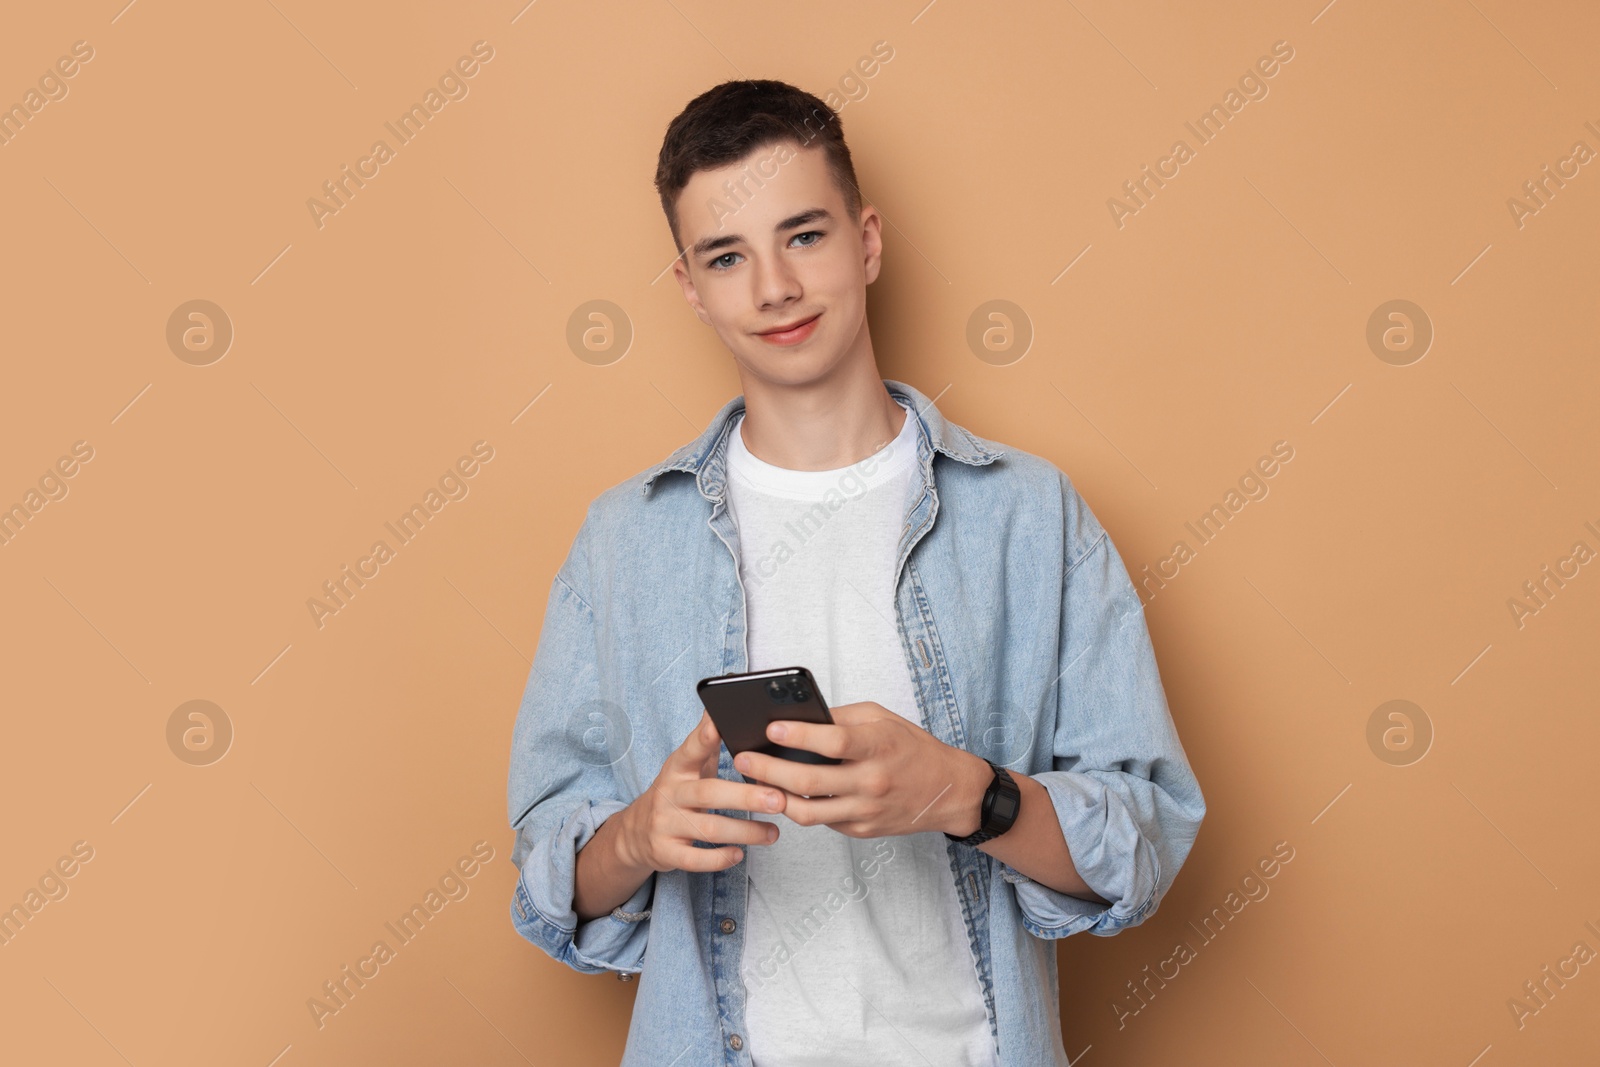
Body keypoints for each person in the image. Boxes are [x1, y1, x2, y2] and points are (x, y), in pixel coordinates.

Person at [507, 79, 1205, 1067]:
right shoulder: (625, 541)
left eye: (803, 236)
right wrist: (636, 835)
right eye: (726, 256)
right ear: (690, 289)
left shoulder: (1029, 514)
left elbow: (1143, 844)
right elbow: (546, 878)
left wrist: (969, 794)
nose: (774, 288)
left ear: (867, 241)